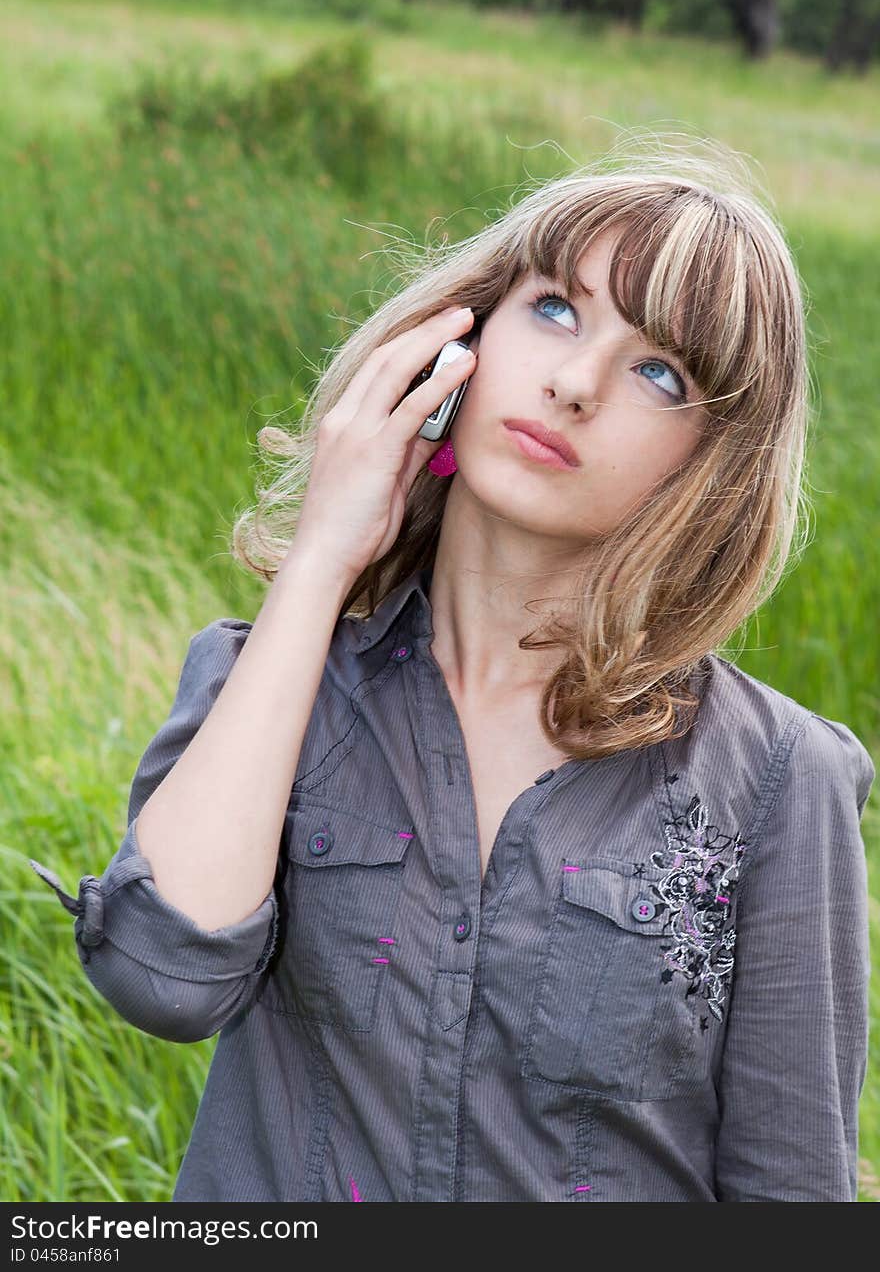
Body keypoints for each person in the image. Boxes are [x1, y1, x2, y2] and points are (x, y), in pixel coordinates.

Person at [31, 147, 875, 1202]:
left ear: (708, 468)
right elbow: (163, 974)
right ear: (461, 335)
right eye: (557, 310)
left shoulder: (775, 781)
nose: (574, 384)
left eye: (659, 372)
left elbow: (789, 1191)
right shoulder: (273, 682)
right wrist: (322, 560)